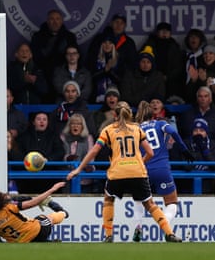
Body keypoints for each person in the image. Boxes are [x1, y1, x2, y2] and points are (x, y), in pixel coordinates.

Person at [66, 101, 182, 243]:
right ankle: (169, 233)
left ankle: (108, 235)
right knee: (150, 204)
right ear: (130, 114)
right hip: (137, 172)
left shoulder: (108, 130)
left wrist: (78, 169)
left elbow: (94, 150)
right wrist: (139, 162)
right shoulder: (137, 129)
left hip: (117, 172)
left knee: (109, 200)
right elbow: (150, 152)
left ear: (114, 114)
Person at [132, 101, 195, 242]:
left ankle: (138, 227)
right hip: (161, 169)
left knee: (139, 200)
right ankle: (164, 226)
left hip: (142, 169)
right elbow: (173, 131)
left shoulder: (135, 128)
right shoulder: (160, 124)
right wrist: (184, 150)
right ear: (152, 114)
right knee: (172, 203)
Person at [0, 181, 68, 243]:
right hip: (38, 232)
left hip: (20, 243)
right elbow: (32, 203)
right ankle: (63, 213)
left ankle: (48, 243)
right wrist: (52, 189)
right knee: (44, 218)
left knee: (29, 222)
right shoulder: (8, 208)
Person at [30, 9, 78, 103]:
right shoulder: (38, 37)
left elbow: (74, 57)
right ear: (47, 21)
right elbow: (35, 57)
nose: (55, 22)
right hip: (43, 77)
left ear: (62, 21)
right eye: (52, 19)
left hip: (63, 76)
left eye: (57, 19)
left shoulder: (69, 37)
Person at [14, 111, 65, 194]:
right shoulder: (24, 137)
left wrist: (48, 160)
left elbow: (60, 152)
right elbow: (18, 153)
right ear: (33, 122)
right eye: (39, 119)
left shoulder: (54, 136)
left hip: (48, 177)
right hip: (28, 179)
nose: (42, 121)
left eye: (44, 119)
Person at [142, 22, 185, 100]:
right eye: (162, 31)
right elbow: (142, 62)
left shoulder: (174, 46)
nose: (164, 33)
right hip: (152, 79)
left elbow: (178, 66)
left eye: (167, 31)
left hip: (171, 81)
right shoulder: (150, 45)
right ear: (157, 32)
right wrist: (156, 76)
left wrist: (168, 77)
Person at [60, 113, 96, 193]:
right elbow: (60, 154)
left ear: (82, 126)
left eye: (79, 124)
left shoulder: (88, 138)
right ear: (69, 125)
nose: (75, 126)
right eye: (73, 123)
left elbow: (91, 155)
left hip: (84, 177)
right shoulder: (63, 137)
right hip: (67, 177)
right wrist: (67, 158)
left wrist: (89, 166)